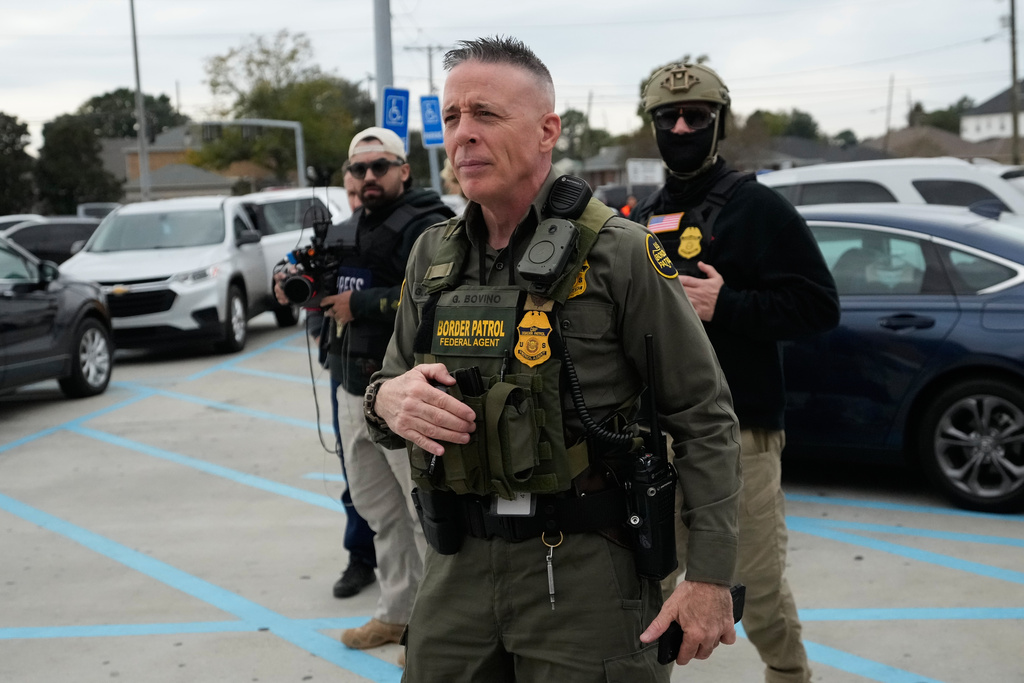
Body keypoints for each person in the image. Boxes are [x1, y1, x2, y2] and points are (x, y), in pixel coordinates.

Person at [362, 36, 742, 681]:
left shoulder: (622, 253)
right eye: (452, 118)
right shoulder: (432, 255)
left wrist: (708, 575)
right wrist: (386, 400)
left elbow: (703, 416)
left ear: (546, 131)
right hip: (458, 565)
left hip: (587, 571)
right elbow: (389, 386)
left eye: (486, 114)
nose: (464, 135)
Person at [631, 62, 841, 683]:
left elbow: (819, 307)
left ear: (719, 123)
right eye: (669, 117)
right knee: (651, 582)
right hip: (655, 439)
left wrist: (730, 305)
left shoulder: (760, 210)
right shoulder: (643, 215)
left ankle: (787, 671)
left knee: (755, 585)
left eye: (697, 116)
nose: (683, 125)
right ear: (654, 126)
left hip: (742, 434)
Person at [283, 127, 454, 650]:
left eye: (380, 166)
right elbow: (325, 288)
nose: (369, 177)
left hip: (407, 390)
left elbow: (433, 295)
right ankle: (398, 614)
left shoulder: (430, 224)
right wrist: (298, 285)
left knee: (424, 515)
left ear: (404, 170)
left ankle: (435, 636)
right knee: (379, 512)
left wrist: (359, 305)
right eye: (359, 169)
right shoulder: (344, 229)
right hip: (352, 387)